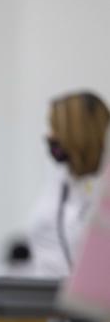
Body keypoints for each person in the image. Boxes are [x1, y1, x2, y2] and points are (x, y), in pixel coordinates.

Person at [26, 92, 109, 277]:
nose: (50, 136)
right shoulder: (61, 180)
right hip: (43, 295)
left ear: (81, 133)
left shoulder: (103, 186)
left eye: (56, 128)